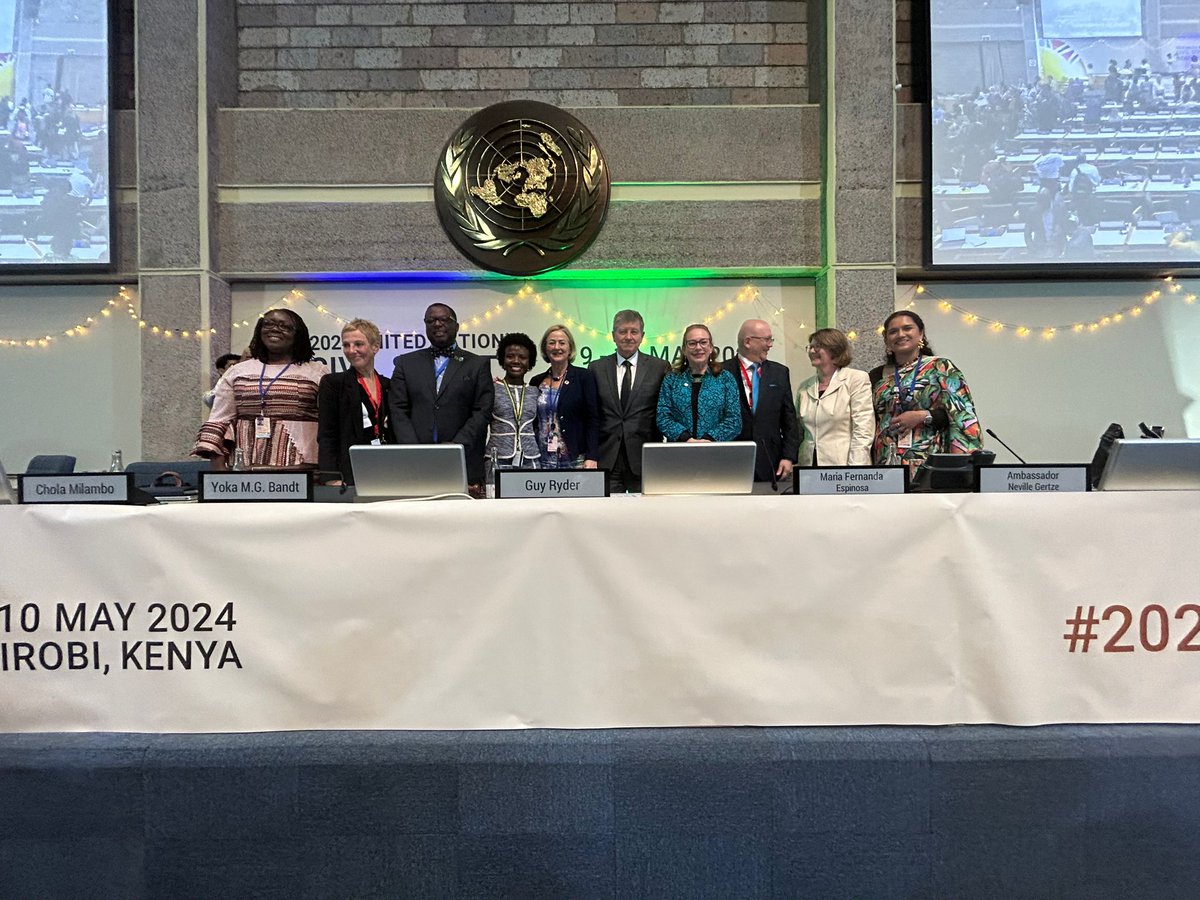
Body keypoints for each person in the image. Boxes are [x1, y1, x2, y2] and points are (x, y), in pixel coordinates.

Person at [193, 308, 328, 470]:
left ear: (298, 334)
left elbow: (330, 424)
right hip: (246, 466)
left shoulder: (317, 371)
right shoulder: (238, 371)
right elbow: (219, 420)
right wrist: (219, 469)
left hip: (302, 466)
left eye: (284, 326)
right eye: (268, 324)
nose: (274, 329)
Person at [388, 303, 493, 490]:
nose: (437, 324)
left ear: (457, 326)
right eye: (431, 320)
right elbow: (398, 410)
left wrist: (455, 446)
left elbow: (482, 411)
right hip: (415, 461)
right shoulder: (406, 363)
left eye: (444, 319)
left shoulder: (477, 364)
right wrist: (414, 449)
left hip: (463, 460)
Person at [869, 311, 982, 472]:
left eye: (907, 328)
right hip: (886, 463)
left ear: (921, 334)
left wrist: (923, 416)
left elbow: (962, 416)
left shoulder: (940, 368)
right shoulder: (876, 375)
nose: (900, 334)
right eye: (893, 331)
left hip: (930, 464)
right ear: (886, 339)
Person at [587, 309, 670, 492]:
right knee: (607, 516)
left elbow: (664, 411)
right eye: (622, 331)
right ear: (613, 336)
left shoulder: (660, 367)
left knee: (644, 518)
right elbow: (591, 415)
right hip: (607, 459)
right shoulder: (596, 368)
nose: (628, 337)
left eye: (634, 331)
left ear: (642, 336)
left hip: (644, 460)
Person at [317, 318, 394, 485]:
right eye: (346, 345)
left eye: (359, 344)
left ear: (375, 347)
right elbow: (327, 434)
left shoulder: (389, 385)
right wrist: (330, 477)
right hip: (349, 472)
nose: (351, 351)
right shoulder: (333, 384)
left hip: (387, 468)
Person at [728, 318, 798, 483]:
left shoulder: (780, 372)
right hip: (732, 460)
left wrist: (788, 457)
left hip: (771, 461)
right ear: (748, 342)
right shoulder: (721, 372)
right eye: (766, 339)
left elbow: (789, 420)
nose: (770, 344)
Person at [796, 328, 874, 466]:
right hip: (808, 467)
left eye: (818, 347)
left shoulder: (856, 379)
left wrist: (856, 469)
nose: (812, 351)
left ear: (835, 350)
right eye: (810, 347)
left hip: (844, 465)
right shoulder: (804, 387)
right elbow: (799, 431)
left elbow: (863, 429)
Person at [656, 323, 742, 443]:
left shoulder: (725, 378)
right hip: (679, 452)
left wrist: (709, 439)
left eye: (703, 342)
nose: (698, 347)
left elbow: (734, 420)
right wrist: (686, 439)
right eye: (692, 343)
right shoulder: (672, 379)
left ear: (711, 347)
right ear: (684, 350)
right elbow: (662, 417)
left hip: (715, 452)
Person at [531, 324, 600, 469]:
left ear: (570, 349)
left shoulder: (583, 377)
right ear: (545, 348)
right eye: (552, 343)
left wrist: (592, 456)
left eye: (562, 343)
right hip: (542, 459)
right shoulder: (536, 381)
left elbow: (593, 419)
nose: (557, 347)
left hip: (575, 460)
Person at [484, 332, 541, 486]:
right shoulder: (491, 388)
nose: (516, 361)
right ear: (502, 359)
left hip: (530, 459)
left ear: (530, 362)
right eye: (510, 356)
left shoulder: (535, 391)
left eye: (522, 357)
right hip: (497, 459)